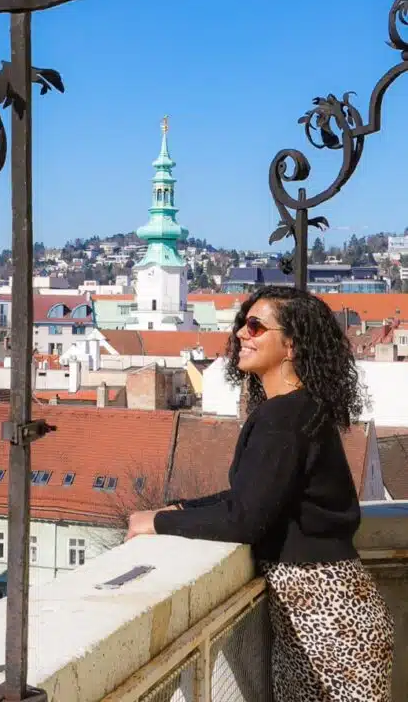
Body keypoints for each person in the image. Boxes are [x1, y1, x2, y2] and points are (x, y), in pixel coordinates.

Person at [126, 286, 394, 702]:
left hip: (329, 626)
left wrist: (158, 522)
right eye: (240, 325)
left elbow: (245, 519)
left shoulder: (283, 418)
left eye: (255, 326)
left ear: (291, 345)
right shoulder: (300, 409)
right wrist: (182, 507)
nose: (241, 335)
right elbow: (252, 495)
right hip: (327, 619)